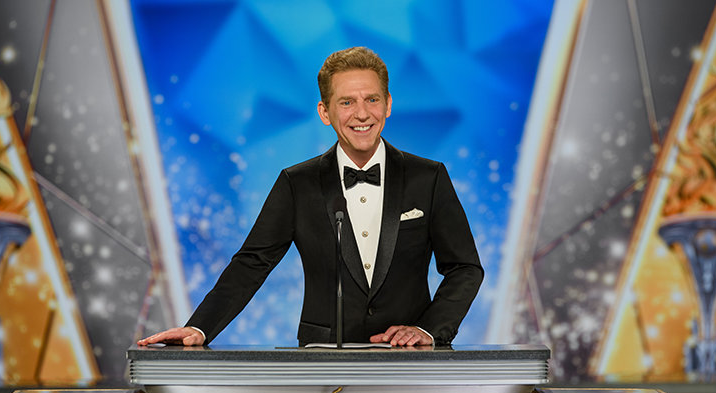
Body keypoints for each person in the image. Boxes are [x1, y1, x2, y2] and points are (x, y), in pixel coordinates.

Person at [138, 47, 482, 348]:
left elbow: (465, 267)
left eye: (372, 99)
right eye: (346, 102)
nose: (362, 114)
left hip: (409, 361)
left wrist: (428, 329)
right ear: (324, 112)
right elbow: (251, 263)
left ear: (388, 104)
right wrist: (199, 327)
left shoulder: (428, 178)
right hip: (322, 357)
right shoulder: (297, 183)